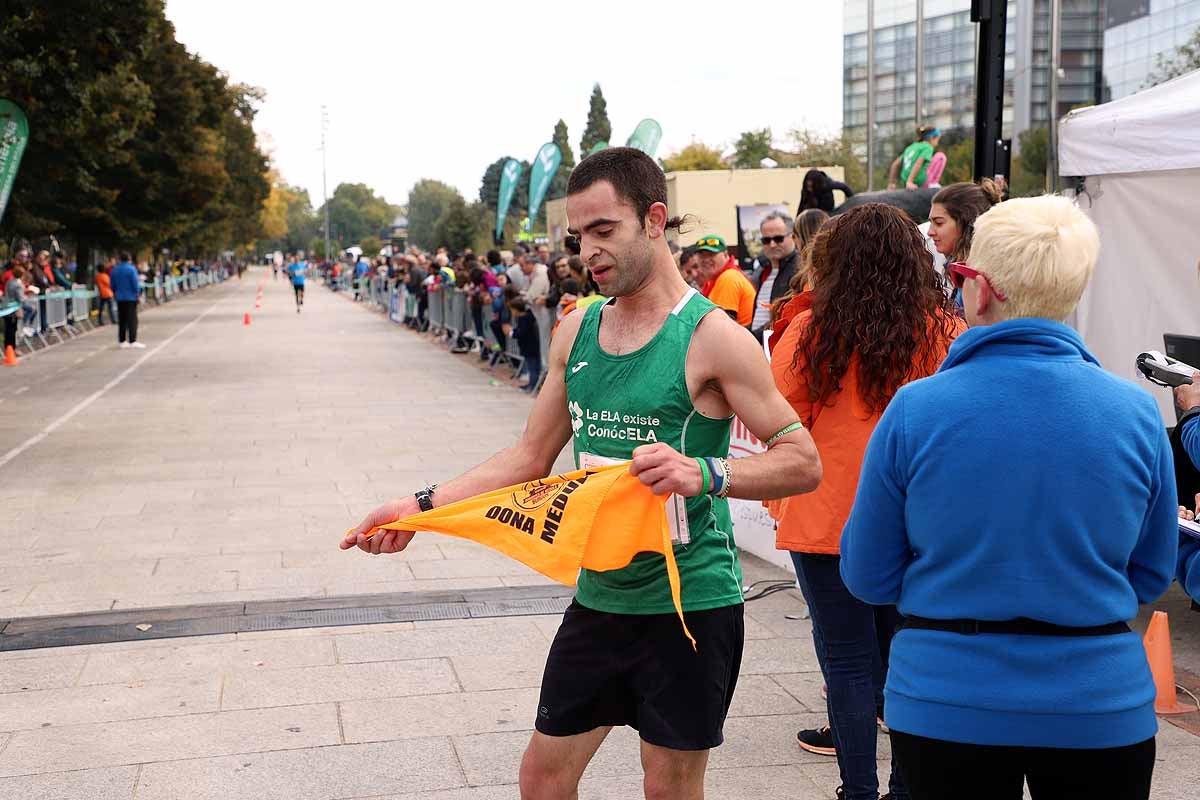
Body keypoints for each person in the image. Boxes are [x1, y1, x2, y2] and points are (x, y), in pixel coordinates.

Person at [342, 146, 822, 800]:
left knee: (668, 788)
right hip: (600, 600)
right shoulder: (578, 328)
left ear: (655, 220)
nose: (589, 251)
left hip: (690, 605)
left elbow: (802, 460)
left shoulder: (713, 338)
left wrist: (704, 473)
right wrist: (417, 507)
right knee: (542, 778)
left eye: (605, 231)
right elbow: (527, 458)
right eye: (579, 235)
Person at [839, 196, 1176, 800]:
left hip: (945, 698)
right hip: (1098, 700)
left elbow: (866, 574)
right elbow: (1151, 572)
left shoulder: (916, 410)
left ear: (980, 288)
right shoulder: (1134, 413)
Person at [772, 204, 964, 800]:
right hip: (915, 521)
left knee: (848, 662)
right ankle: (907, 788)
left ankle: (857, 789)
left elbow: (780, 417)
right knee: (909, 658)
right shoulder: (945, 332)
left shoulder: (809, 330)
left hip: (824, 514)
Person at [927, 180, 1004, 309]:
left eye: (939, 223)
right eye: (930, 222)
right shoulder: (965, 270)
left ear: (966, 223)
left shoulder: (977, 278)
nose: (930, 232)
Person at [749, 211, 803, 342]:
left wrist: (749, 337)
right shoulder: (761, 270)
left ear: (793, 237)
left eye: (778, 239)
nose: (772, 244)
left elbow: (784, 319)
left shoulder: (799, 270)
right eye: (766, 240)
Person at [695, 235, 756, 327]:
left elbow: (722, 326)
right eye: (702, 256)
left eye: (711, 254)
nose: (706, 260)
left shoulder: (728, 278)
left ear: (725, 255)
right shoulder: (716, 279)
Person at [111, 251, 144, 349]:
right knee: (132, 319)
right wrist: (138, 293)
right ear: (129, 259)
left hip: (120, 298)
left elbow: (112, 284)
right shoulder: (131, 269)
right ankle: (132, 340)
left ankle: (122, 340)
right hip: (130, 297)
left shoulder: (115, 269)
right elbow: (135, 283)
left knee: (122, 319)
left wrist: (115, 292)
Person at [509, 297, 542, 392]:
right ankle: (532, 384)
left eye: (512, 310)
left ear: (516, 309)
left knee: (533, 367)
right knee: (533, 366)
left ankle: (533, 386)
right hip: (531, 346)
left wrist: (512, 333)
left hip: (529, 347)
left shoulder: (524, 319)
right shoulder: (527, 316)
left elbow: (522, 332)